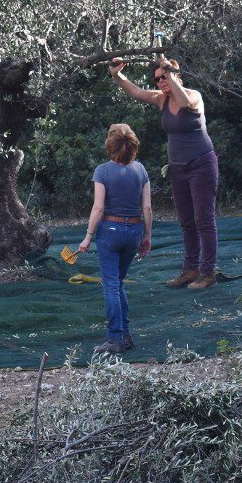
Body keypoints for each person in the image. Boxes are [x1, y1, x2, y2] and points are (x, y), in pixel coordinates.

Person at [110, 56, 220, 290]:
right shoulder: (161, 100)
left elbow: (185, 101)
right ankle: (190, 270)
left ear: (175, 74)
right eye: (157, 78)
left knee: (204, 220)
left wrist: (171, 73)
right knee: (186, 222)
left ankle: (208, 272)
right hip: (177, 168)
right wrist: (117, 76)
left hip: (201, 165)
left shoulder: (193, 96)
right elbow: (137, 92)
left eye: (164, 76)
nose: (160, 81)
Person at [75, 124, 153, 354]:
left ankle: (115, 338)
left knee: (110, 285)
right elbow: (147, 207)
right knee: (118, 283)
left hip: (110, 231)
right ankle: (125, 335)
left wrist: (88, 236)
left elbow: (98, 207)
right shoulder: (141, 170)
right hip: (134, 231)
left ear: (111, 145)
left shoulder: (102, 171)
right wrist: (147, 236)